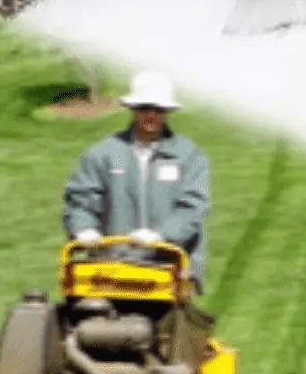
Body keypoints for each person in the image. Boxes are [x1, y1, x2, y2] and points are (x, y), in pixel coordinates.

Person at [62, 70, 211, 288]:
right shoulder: (103, 153)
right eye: (144, 108)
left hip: (169, 270)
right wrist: (83, 228)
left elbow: (193, 208)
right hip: (109, 270)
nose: (151, 115)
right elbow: (80, 199)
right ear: (132, 109)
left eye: (158, 109)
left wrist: (162, 235)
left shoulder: (189, 157)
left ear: (167, 112)